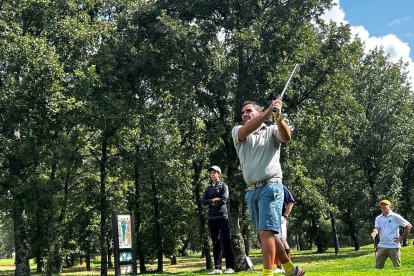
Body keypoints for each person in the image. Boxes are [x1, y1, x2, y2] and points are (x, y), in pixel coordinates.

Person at [231, 99, 305, 276]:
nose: (244, 115)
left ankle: (267, 273)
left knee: (266, 232)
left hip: (271, 187)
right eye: (243, 113)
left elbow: (286, 137)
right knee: (265, 235)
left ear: (257, 113)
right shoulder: (238, 131)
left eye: (249, 111)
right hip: (251, 191)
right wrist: (268, 111)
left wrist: (278, 117)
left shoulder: (271, 130)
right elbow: (246, 129)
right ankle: (291, 269)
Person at [202, 166, 235, 274]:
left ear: (219, 174)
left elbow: (224, 199)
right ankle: (217, 268)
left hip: (222, 216)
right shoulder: (208, 188)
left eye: (214, 172)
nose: (212, 174)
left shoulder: (223, 186)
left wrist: (213, 201)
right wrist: (213, 200)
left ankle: (230, 267)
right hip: (212, 217)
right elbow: (203, 201)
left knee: (226, 241)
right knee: (215, 242)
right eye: (211, 173)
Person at [371, 199, 412, 269]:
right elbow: (377, 228)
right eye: (381, 205)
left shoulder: (395, 216)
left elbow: (408, 226)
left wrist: (401, 237)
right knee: (378, 269)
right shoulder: (378, 218)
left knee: (397, 268)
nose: (383, 206)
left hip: (394, 246)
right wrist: (374, 232)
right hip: (382, 246)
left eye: (385, 204)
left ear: (389, 206)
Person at [274, 185, 296, 274]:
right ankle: (279, 266)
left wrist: (285, 215)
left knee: (282, 240)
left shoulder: (282, 187)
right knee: (273, 241)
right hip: (270, 217)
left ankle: (287, 265)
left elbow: (290, 202)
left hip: (280, 217)